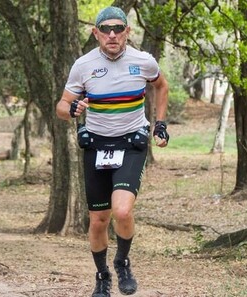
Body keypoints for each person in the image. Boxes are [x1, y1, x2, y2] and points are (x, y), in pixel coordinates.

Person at [55, 6, 170, 297]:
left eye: (118, 29)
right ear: (96, 33)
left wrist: (160, 124)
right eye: (105, 29)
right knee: (98, 220)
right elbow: (61, 107)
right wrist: (72, 108)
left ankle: (123, 262)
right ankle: (102, 276)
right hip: (96, 146)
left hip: (130, 144)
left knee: (122, 210)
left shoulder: (143, 61)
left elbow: (161, 86)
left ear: (127, 32)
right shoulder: (83, 65)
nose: (112, 34)